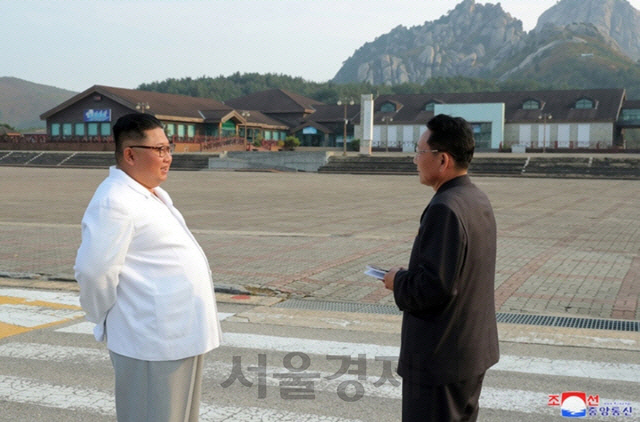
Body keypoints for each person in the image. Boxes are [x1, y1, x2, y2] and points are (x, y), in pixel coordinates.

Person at [74, 113, 222, 422]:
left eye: (169, 148)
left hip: (179, 335)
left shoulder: (148, 194)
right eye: (159, 150)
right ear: (130, 154)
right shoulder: (114, 201)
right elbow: (94, 272)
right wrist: (103, 318)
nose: (167, 158)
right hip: (150, 340)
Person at [382, 114, 499, 422]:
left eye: (420, 152)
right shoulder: (475, 198)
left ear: (443, 159)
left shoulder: (445, 208)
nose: (415, 160)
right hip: (469, 350)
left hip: (440, 357)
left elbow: (435, 287)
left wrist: (397, 280)